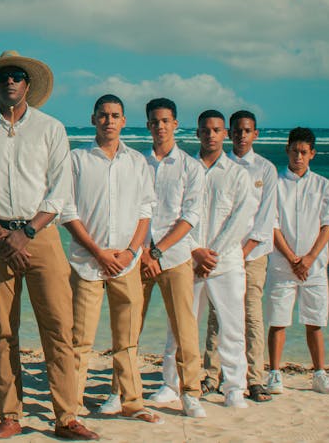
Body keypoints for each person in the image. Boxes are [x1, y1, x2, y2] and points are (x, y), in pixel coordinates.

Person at [0, 50, 98, 441]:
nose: (11, 81)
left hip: (41, 237)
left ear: (28, 85)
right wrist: (2, 234)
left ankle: (66, 416)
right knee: (3, 329)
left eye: (18, 76)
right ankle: (10, 414)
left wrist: (26, 232)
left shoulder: (51, 128)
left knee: (58, 326)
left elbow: (60, 190)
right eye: (4, 75)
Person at [99, 97, 206, 418]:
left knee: (184, 327)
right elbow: (129, 210)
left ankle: (190, 393)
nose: (160, 127)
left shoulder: (191, 166)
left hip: (174, 258)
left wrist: (157, 251)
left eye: (166, 121)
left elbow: (190, 216)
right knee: (128, 329)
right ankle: (119, 391)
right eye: (154, 122)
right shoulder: (135, 162)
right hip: (137, 259)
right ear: (147, 125)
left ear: (175, 124)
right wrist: (142, 252)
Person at [62, 95, 162, 424]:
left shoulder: (136, 162)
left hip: (127, 263)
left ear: (123, 121)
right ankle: (71, 407)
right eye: (103, 115)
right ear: (93, 119)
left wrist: (133, 251)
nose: (108, 121)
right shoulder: (76, 159)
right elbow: (67, 211)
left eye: (115, 116)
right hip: (87, 262)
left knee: (127, 340)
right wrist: (97, 252)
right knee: (80, 340)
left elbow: (146, 211)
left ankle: (133, 402)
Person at [156, 110, 258, 409]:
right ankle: (171, 383)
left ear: (225, 133)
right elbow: (173, 215)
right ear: (197, 133)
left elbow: (242, 218)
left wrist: (211, 253)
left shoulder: (239, 174)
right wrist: (193, 251)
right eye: (205, 130)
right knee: (180, 326)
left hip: (225, 262)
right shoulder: (186, 169)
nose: (211, 135)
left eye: (216, 130)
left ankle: (234, 388)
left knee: (232, 326)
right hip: (186, 260)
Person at [202, 110, 278, 402]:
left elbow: (264, 217)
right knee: (216, 315)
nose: (241, 136)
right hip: (216, 251)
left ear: (255, 134)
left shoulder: (265, 169)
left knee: (250, 314)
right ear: (227, 134)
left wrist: (241, 252)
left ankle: (254, 378)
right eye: (236, 131)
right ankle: (211, 374)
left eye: (247, 131)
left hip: (252, 252)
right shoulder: (218, 163)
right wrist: (216, 251)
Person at [265, 127, 329, 396]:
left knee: (314, 320)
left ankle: (319, 373)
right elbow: (271, 224)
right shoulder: (274, 183)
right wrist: (291, 257)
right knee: (278, 320)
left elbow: (328, 224)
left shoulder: (323, 185)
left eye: (304, 152)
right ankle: (274, 373)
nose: (299, 156)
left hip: (315, 266)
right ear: (287, 150)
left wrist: (308, 258)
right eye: (294, 150)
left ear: (312, 154)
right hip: (281, 264)